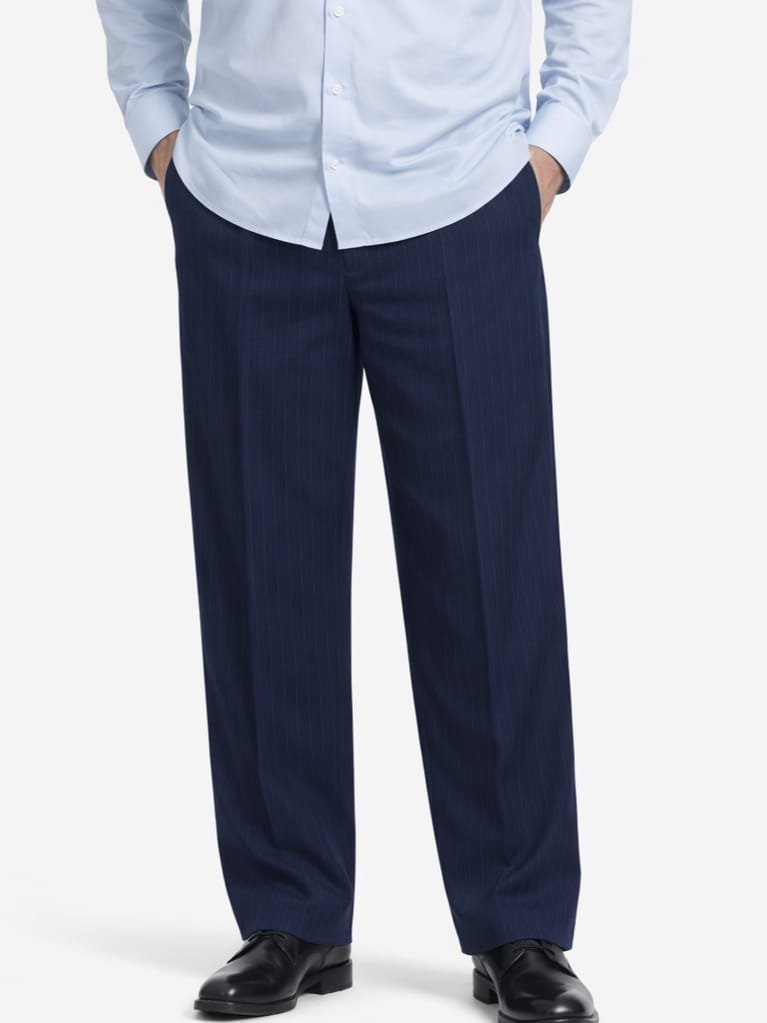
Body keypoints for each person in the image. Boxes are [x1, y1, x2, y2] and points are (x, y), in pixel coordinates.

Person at [95, 1, 631, 1018]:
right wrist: (158, 128)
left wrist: (550, 153)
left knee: (491, 570)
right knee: (263, 571)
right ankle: (289, 911)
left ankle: (518, 920)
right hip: (246, 202)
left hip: (460, 193)